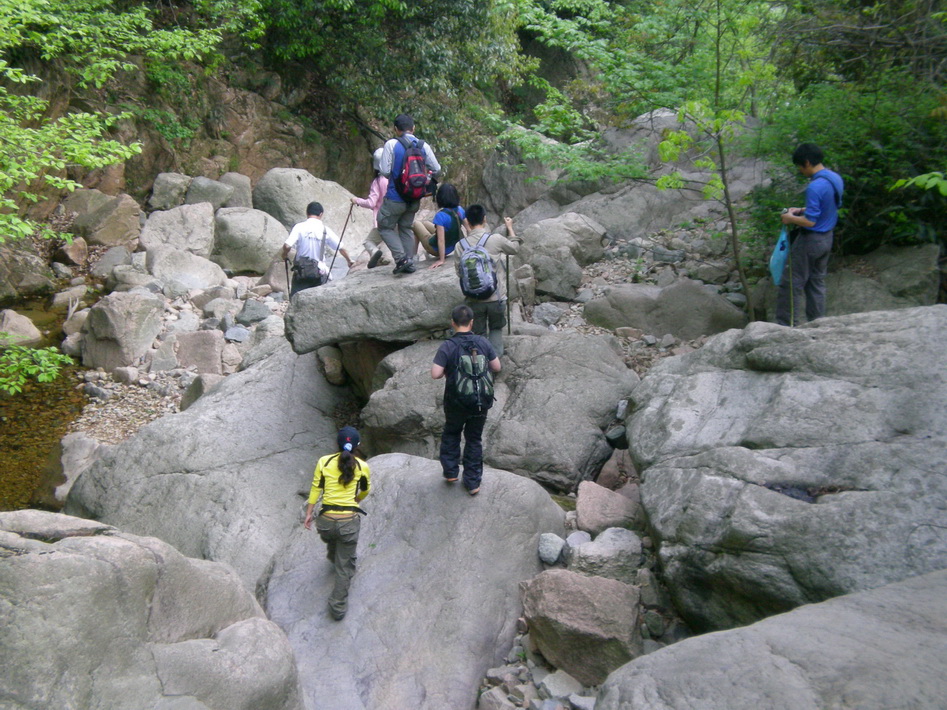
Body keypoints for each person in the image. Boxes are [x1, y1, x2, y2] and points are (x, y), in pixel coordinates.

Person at [431, 304, 501, 496]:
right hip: (480, 401)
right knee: (474, 439)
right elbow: (497, 367)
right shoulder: (483, 342)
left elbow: (435, 373)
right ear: (472, 322)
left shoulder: (448, 345)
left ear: (452, 323)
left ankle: (451, 472)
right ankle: (472, 483)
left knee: (452, 432)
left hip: (456, 400)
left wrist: (447, 371)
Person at [303, 426, 371, 621]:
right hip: (348, 522)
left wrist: (309, 513)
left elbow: (316, 488)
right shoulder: (362, 466)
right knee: (345, 567)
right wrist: (356, 500)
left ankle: (334, 555)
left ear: (337, 443)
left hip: (325, 521)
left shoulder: (324, 462)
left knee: (332, 536)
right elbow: (365, 490)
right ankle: (338, 607)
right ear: (358, 445)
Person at [777, 143, 844, 326]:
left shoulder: (815, 186)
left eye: (800, 166)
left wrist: (789, 218)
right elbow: (829, 207)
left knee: (791, 283)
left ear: (807, 162)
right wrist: (800, 210)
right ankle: (817, 323)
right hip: (827, 239)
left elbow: (810, 222)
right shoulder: (834, 178)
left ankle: (786, 326)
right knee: (816, 282)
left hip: (811, 241)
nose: (800, 170)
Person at [378, 113, 442, 275]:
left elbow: (384, 171)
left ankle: (401, 259)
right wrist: (425, 180)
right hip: (414, 197)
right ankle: (409, 261)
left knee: (384, 226)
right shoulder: (423, 145)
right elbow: (437, 169)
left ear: (395, 129)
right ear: (413, 128)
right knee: (406, 227)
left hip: (395, 197)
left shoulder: (391, 144)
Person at [454, 205, 520, 356]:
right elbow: (515, 249)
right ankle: (495, 360)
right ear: (484, 219)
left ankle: (481, 361)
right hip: (496, 298)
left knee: (479, 333)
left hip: (474, 299)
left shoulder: (460, 246)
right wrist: (510, 228)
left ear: (467, 222)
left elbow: (459, 273)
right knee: (496, 329)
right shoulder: (495, 239)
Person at [282, 201, 354, 297]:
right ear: (321, 214)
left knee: (295, 299)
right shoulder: (325, 230)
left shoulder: (299, 227)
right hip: (318, 272)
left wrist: (284, 255)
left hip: (301, 271)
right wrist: (349, 260)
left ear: (307, 213)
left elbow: (287, 246)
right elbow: (341, 247)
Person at [350, 147, 391, 269]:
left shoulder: (377, 182)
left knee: (368, 242)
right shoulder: (395, 178)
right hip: (397, 216)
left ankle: (375, 252)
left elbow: (371, 203)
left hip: (383, 219)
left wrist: (357, 200)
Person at [412, 183, 469, 268]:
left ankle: (413, 256)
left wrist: (441, 260)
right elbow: (469, 229)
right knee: (425, 223)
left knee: (415, 224)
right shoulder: (460, 210)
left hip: (435, 250)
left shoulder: (441, 216)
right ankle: (417, 254)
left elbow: (441, 240)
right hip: (452, 246)